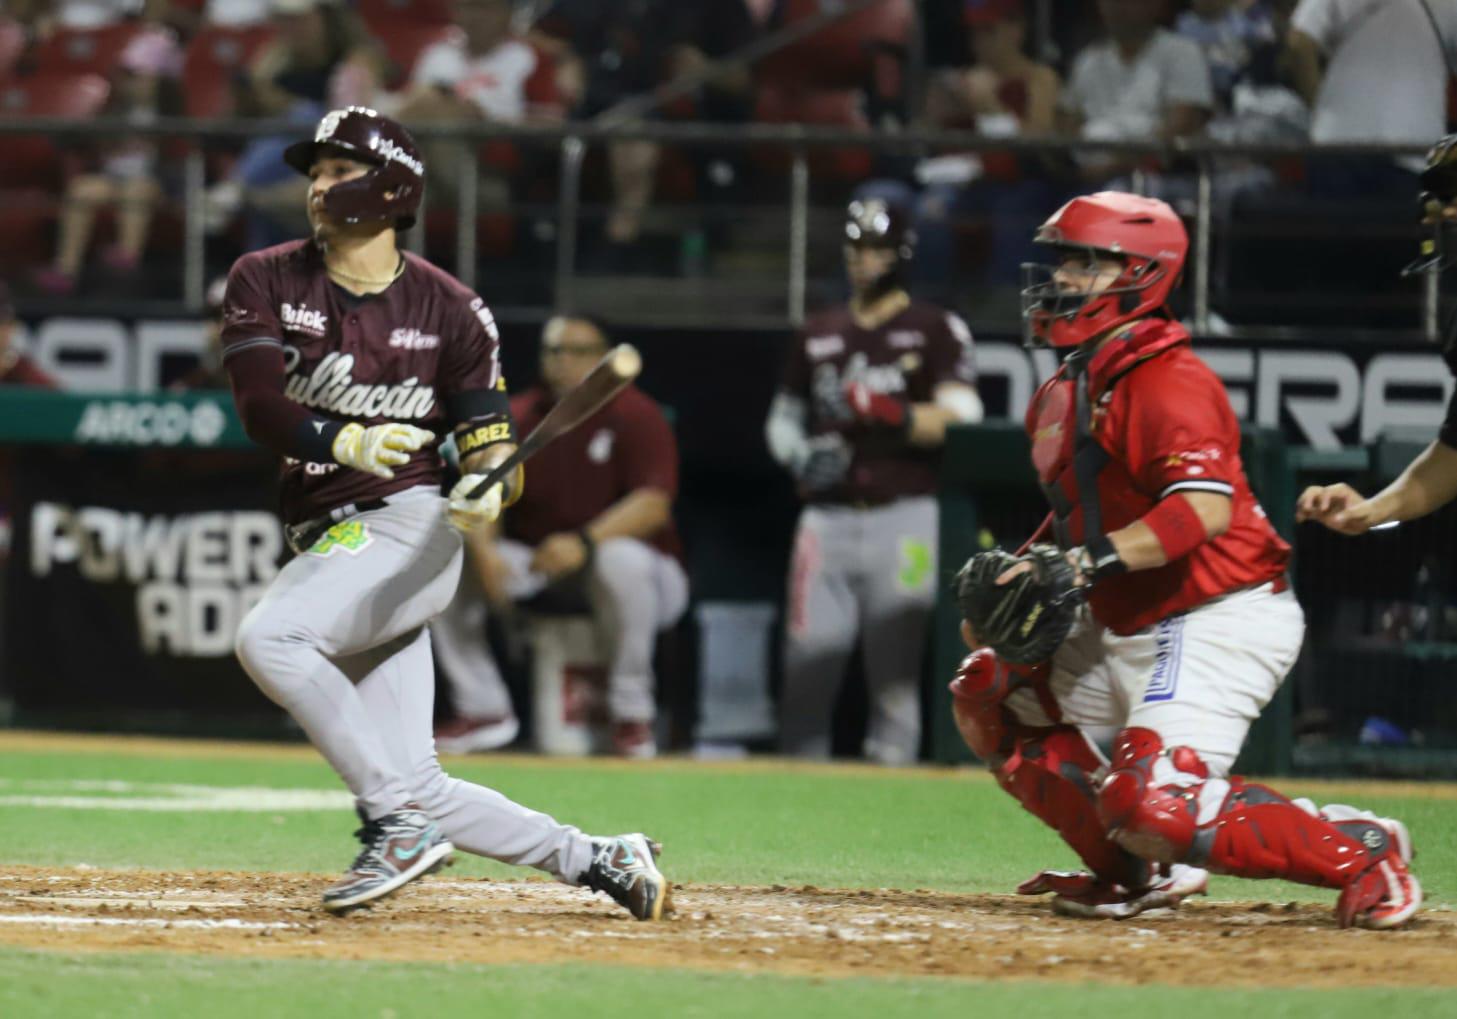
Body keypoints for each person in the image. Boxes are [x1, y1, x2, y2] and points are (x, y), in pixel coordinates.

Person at [218, 105, 670, 919]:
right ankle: (602, 858)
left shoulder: (452, 309)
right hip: (333, 531)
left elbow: (490, 439)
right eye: (314, 172)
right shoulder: (267, 275)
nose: (319, 186)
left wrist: (494, 482)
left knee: (270, 636)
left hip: (407, 523)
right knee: (417, 777)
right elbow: (258, 406)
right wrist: (345, 439)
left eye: (339, 170)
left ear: (391, 187)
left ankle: (391, 823)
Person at [947, 190, 1421, 929]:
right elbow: (1080, 512)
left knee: (1151, 803)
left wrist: (1077, 568)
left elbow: (1200, 511)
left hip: (1216, 613)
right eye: (1063, 260)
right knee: (988, 687)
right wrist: (1026, 572)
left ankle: (1359, 851)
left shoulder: (1166, 377)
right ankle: (1128, 869)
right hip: (1128, 610)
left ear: (1139, 272)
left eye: (1083, 262)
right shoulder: (1070, 385)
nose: (1062, 278)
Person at [765, 198, 983, 766]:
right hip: (828, 512)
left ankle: (894, 784)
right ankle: (795, 786)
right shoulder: (819, 330)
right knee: (809, 656)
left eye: (878, 250)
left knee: (896, 668)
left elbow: (963, 415)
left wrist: (896, 414)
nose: (866, 261)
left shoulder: (934, 327)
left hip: (904, 512)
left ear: (901, 254)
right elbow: (783, 417)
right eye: (858, 249)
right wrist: (797, 456)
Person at [432, 314, 687, 759]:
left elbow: (653, 505)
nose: (565, 361)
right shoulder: (520, 413)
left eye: (579, 352)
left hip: (642, 571)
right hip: (539, 564)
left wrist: (584, 542)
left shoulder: (636, 414)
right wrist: (486, 551)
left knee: (621, 559)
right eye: (555, 351)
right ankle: (484, 708)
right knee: (445, 549)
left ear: (603, 359)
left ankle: (632, 714)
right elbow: (485, 482)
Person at [1057, 0, 1214, 186]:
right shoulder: (1088, 60)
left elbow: (1181, 126)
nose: (1118, 7)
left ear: (1156, 6)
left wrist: (1115, 166)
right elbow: (1067, 122)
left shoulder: (1182, 52)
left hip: (1159, 177)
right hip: (1090, 173)